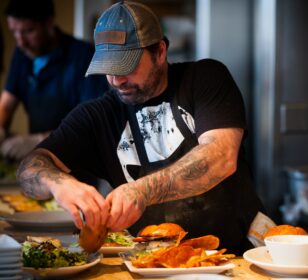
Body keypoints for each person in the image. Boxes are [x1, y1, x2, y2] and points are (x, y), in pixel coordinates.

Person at [17, 1, 264, 255]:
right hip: (152, 262)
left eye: (127, 66)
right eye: (108, 69)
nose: (117, 80)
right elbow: (29, 168)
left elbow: (220, 156)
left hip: (238, 253)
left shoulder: (204, 79)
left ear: (160, 51)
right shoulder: (98, 116)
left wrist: (143, 190)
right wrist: (59, 183)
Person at [0, 0, 109, 160]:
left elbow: (92, 124)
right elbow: (7, 104)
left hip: (77, 162)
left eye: (29, 31)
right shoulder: (21, 56)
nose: (21, 42)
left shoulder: (84, 57)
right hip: (40, 160)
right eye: (14, 32)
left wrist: (39, 140)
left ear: (49, 23)